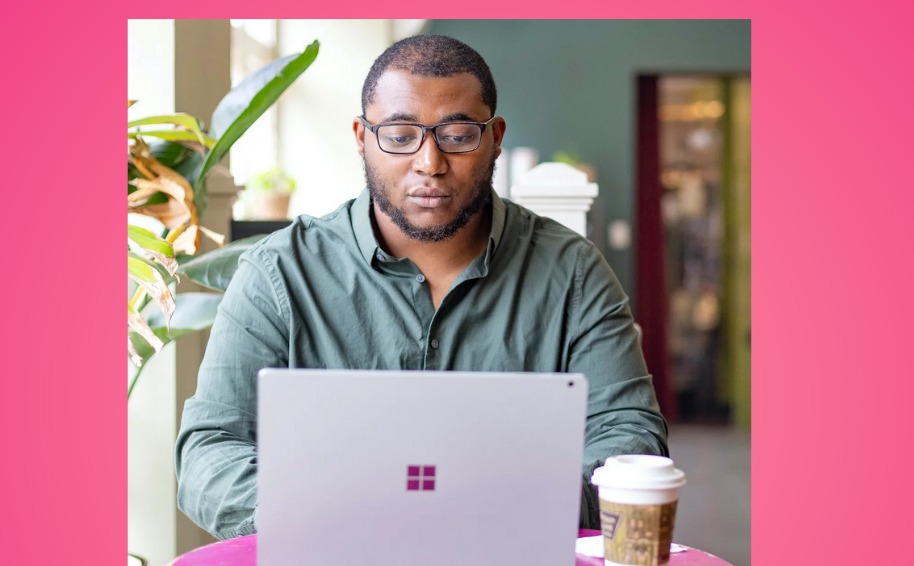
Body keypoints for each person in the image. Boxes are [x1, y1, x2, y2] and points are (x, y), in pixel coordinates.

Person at [176, 34, 669, 540]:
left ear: (495, 137)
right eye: (399, 134)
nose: (429, 162)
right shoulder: (278, 273)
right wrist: (330, 517)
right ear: (361, 137)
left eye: (457, 135)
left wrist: (521, 507)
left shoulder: (574, 273)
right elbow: (209, 449)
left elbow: (630, 437)